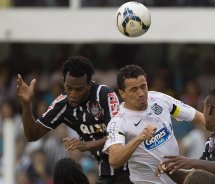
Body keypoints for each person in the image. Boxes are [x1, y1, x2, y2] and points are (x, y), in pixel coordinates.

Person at [16, 56, 132, 184]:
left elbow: (117, 136)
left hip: (129, 163)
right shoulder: (62, 104)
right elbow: (33, 135)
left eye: (79, 89)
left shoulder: (105, 95)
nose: (73, 94)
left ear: (89, 84)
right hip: (105, 168)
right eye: (69, 88)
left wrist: (86, 145)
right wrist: (26, 104)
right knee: (64, 167)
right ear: (63, 82)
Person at [102, 64, 205, 184]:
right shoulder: (118, 121)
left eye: (143, 87)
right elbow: (114, 160)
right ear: (122, 93)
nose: (141, 93)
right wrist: (139, 138)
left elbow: (198, 117)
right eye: (134, 89)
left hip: (176, 179)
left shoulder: (159, 99)